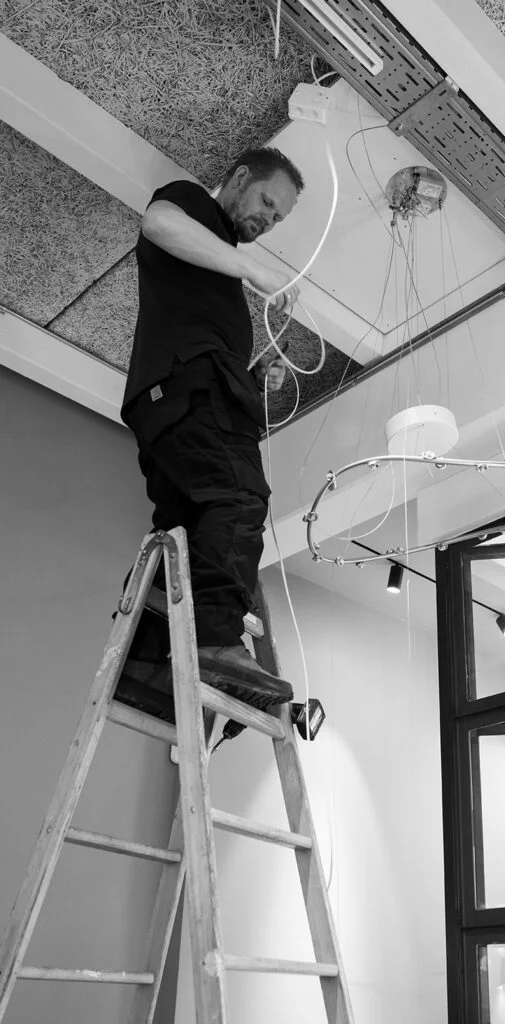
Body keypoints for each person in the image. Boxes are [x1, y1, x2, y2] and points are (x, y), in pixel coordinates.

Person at [115, 147, 304, 721]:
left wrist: (255, 371)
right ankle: (216, 641)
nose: (267, 220)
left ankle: (146, 671)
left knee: (184, 534)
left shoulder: (214, 275)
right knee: (240, 497)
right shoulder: (193, 205)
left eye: (277, 218)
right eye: (266, 202)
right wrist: (254, 269)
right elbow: (157, 222)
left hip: (171, 403)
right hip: (188, 392)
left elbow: (204, 346)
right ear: (240, 178)